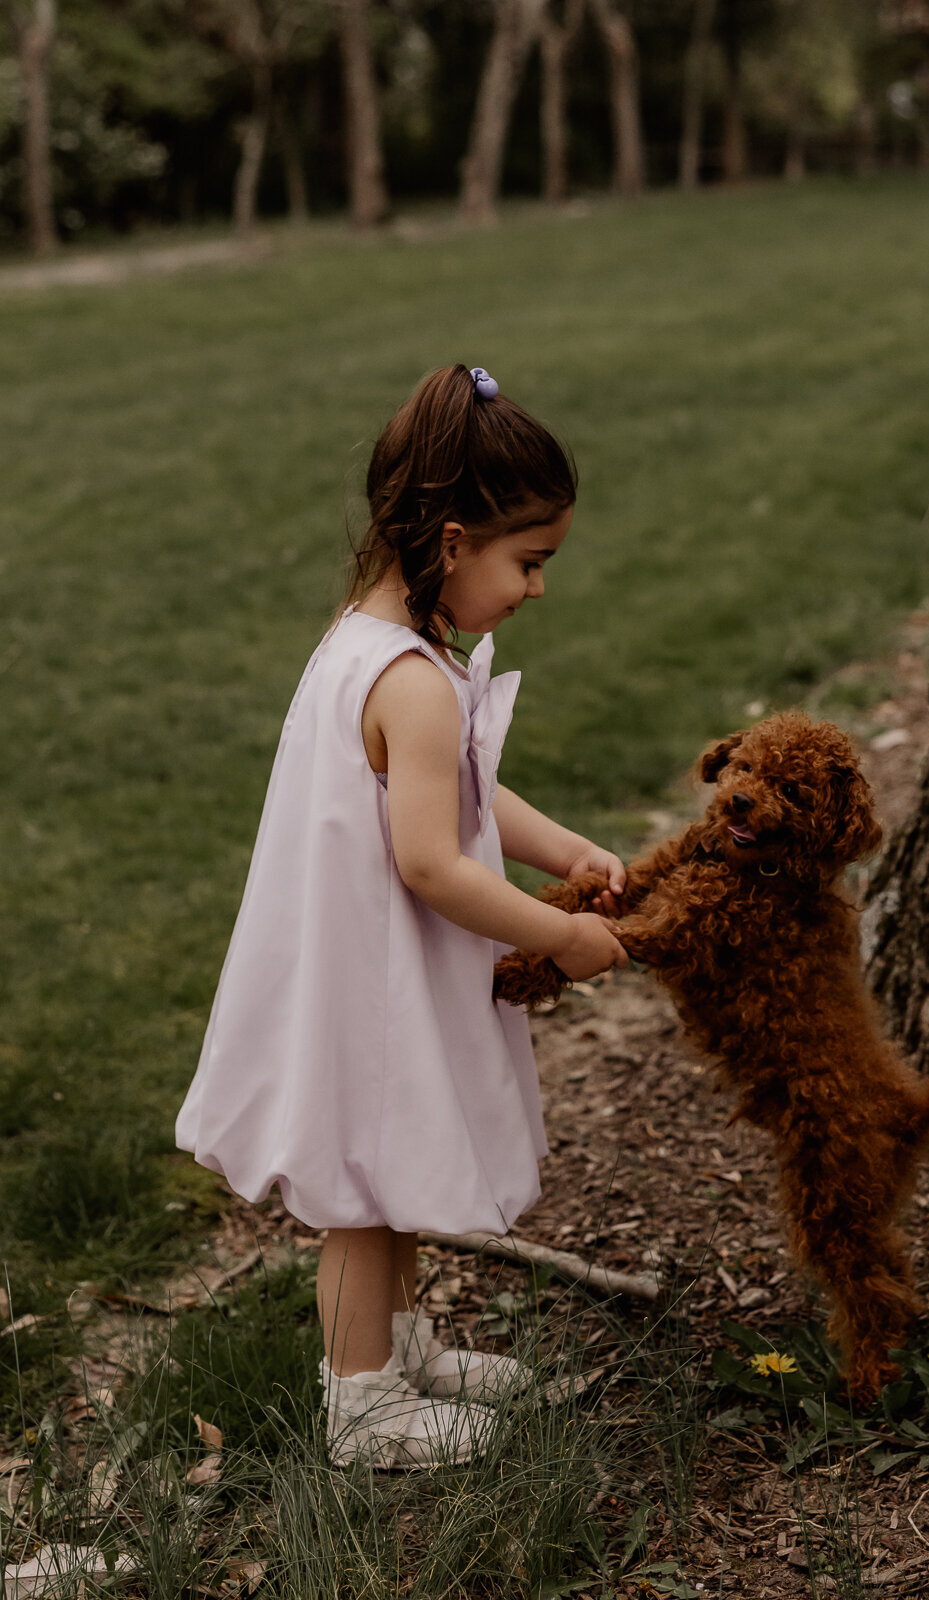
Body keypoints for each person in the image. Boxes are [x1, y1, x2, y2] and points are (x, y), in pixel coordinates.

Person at [175, 364, 629, 1469]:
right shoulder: (411, 680)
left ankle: (398, 1345)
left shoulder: (370, 640)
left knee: (392, 1164)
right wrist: (555, 932)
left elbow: (463, 786)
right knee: (366, 1191)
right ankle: (361, 1403)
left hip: (366, 963)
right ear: (451, 536)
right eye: (527, 563)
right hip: (371, 977)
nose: (533, 590)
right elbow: (429, 860)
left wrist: (561, 847)